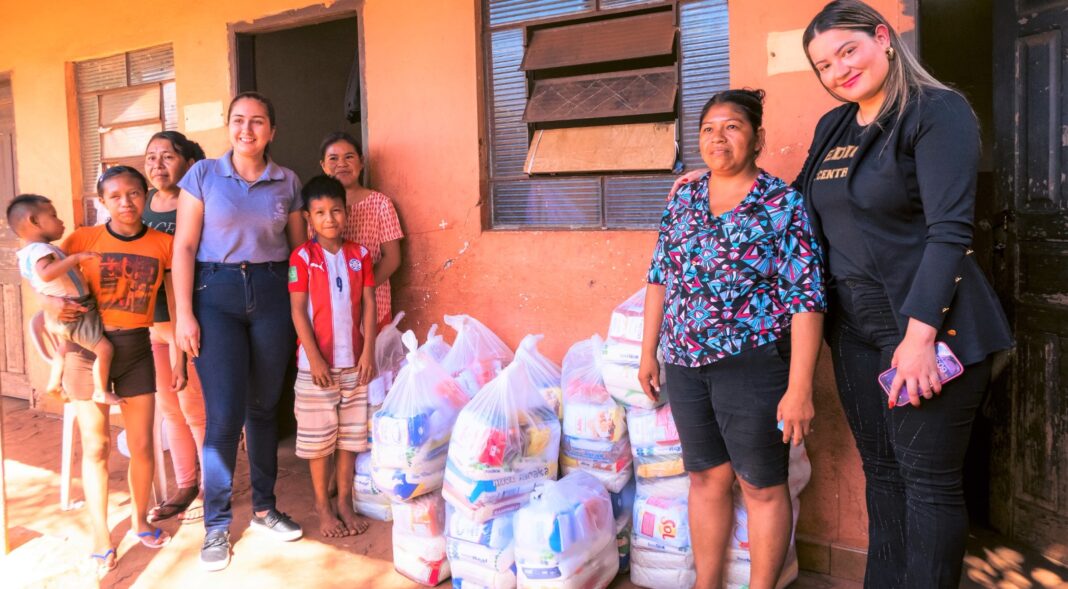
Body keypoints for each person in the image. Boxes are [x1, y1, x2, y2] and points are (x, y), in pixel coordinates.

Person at [672, 3, 1014, 586]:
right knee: (881, 474)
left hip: (930, 329)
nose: (839, 71)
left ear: (882, 38)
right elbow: (795, 206)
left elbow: (950, 231)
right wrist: (715, 180)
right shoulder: (835, 125)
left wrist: (919, 335)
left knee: (927, 484)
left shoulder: (936, 111)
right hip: (856, 330)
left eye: (847, 51)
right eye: (824, 66)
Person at [638, 89, 826, 589]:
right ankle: (707, 583)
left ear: (758, 137)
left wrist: (799, 387)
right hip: (682, 360)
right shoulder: (684, 196)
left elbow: (807, 299)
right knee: (706, 478)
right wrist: (648, 352)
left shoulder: (782, 204)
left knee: (762, 485)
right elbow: (660, 275)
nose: (718, 138)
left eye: (732, 127)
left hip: (754, 362)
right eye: (708, 129)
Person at [173, 91, 306, 571]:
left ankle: (266, 508)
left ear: (272, 130)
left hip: (272, 294)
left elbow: (298, 256)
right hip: (216, 296)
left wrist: (298, 312)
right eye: (237, 120)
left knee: (265, 408)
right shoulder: (204, 174)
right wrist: (185, 314)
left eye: (257, 122)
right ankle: (216, 527)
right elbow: (184, 247)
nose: (246, 130)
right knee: (225, 414)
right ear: (227, 126)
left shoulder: (286, 181)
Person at [53, 166, 178, 573]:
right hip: (85, 350)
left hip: (137, 348)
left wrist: (177, 351)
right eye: (115, 195)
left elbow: (174, 301)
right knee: (97, 447)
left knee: (142, 444)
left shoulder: (164, 244)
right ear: (101, 201)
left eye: (134, 193)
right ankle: (101, 536)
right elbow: (48, 286)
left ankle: (141, 519)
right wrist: (52, 309)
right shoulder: (81, 239)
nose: (126, 202)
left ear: (146, 195)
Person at [288, 175, 377, 537]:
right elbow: (297, 311)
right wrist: (316, 359)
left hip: (355, 365)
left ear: (347, 213)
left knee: (350, 438)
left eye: (336, 210)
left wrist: (368, 350)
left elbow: (369, 304)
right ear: (308, 218)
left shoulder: (361, 255)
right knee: (318, 441)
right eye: (320, 212)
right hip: (316, 370)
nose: (330, 219)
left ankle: (345, 501)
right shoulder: (302, 258)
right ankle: (322, 507)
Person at [142, 130, 208, 523]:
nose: (158, 165)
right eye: (151, 157)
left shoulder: (195, 199)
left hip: (184, 322)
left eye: (167, 156)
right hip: (147, 324)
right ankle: (184, 484)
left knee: (193, 407)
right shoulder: (141, 204)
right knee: (169, 409)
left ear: (186, 161)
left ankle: (209, 487)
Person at [8, 194, 117, 405]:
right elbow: (46, 274)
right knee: (105, 349)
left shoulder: (27, 253)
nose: (61, 221)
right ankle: (100, 390)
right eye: (54, 216)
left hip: (60, 313)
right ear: (34, 221)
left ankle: (54, 381)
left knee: (65, 346)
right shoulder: (41, 250)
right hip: (74, 311)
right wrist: (75, 258)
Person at [319, 132, 402, 326]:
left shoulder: (380, 203)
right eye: (333, 158)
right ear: (323, 165)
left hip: (372, 304)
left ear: (362, 162)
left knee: (371, 355)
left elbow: (392, 258)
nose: (342, 164)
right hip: (329, 305)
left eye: (349, 157)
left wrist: (361, 289)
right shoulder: (317, 208)